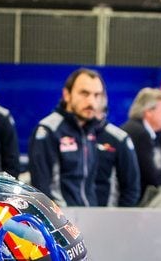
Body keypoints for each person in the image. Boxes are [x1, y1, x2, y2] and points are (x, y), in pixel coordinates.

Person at [28, 68, 140, 207]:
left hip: (90, 217)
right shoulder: (48, 130)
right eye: (84, 93)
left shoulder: (89, 131)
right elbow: (41, 189)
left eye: (97, 95)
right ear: (67, 95)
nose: (91, 101)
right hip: (61, 221)